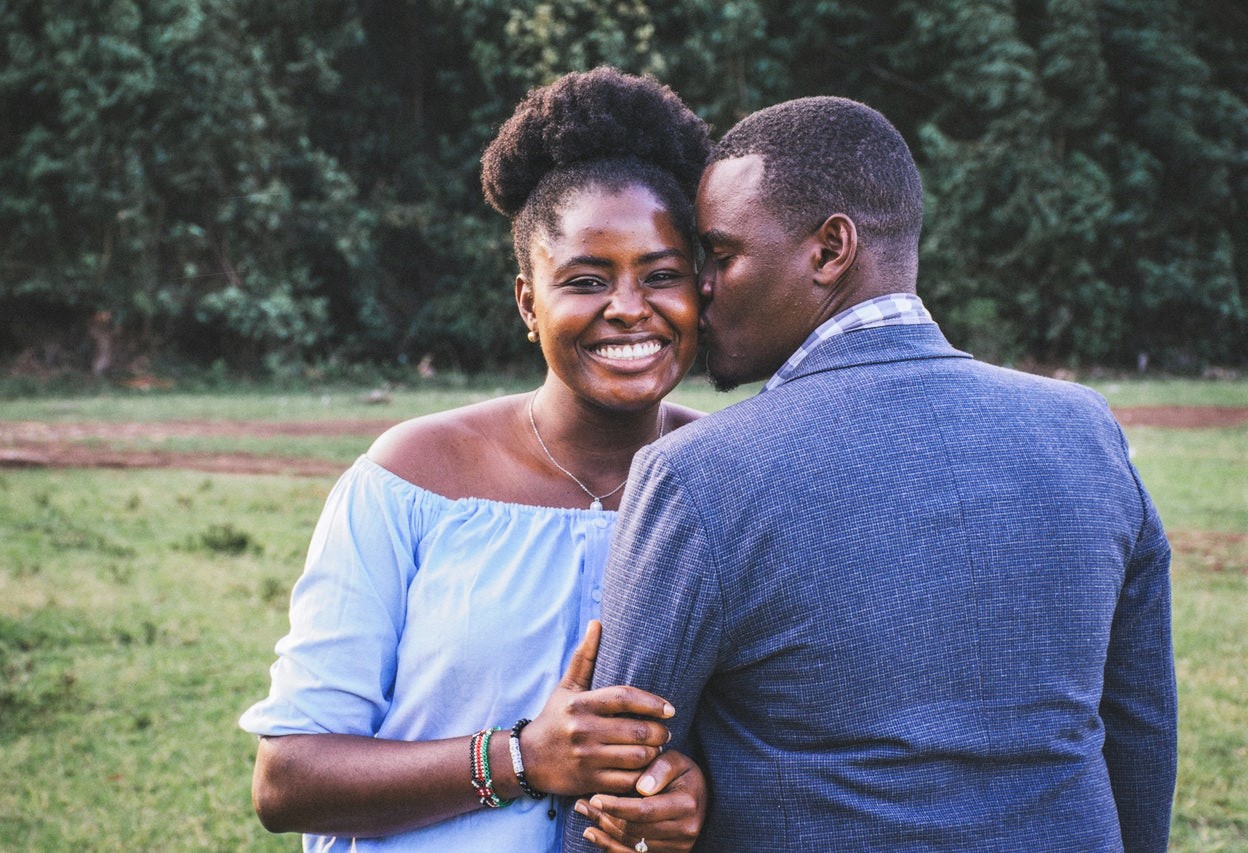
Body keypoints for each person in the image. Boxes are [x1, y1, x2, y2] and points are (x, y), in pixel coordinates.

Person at [565, 96, 1177, 851]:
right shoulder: (1086, 429)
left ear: (830, 250)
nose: (702, 287)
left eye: (720, 256)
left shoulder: (698, 475)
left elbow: (620, 787)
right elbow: (1140, 732)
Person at [240, 67, 711, 852]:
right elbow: (287, 779)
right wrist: (523, 758)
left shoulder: (723, 481)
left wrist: (693, 797)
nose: (630, 307)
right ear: (529, 300)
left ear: (702, 287)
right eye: (587, 280)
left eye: (661, 274)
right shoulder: (415, 476)